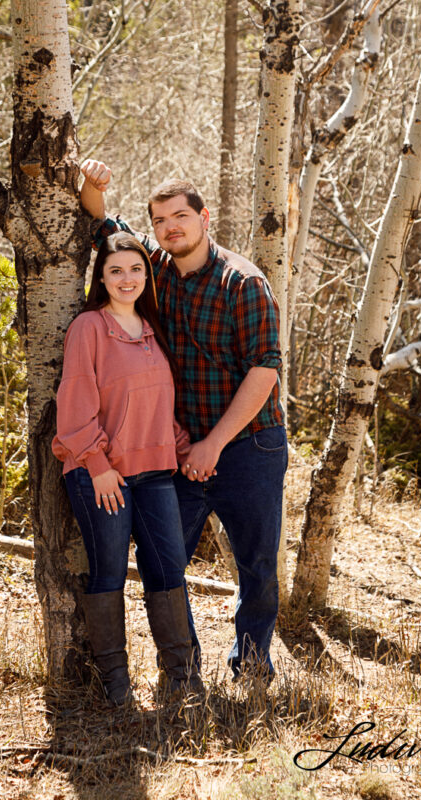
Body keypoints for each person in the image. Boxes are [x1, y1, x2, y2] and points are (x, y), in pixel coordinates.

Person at [79, 160, 288, 681]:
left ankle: (252, 666)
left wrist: (214, 445)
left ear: (204, 217)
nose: (171, 227)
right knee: (162, 560)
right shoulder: (152, 271)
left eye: (180, 216)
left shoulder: (244, 282)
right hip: (179, 447)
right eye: (160, 221)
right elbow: (103, 224)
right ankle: (183, 668)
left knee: (256, 565)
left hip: (249, 445)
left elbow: (264, 371)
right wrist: (93, 183)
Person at [52, 231, 199, 705]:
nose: (127, 278)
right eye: (115, 270)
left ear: (147, 275)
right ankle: (116, 687)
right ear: (101, 278)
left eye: (135, 269)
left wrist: (187, 450)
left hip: (155, 471)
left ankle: (180, 679)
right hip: (101, 474)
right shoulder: (89, 328)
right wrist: (96, 465)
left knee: (168, 568)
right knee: (109, 570)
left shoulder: (154, 332)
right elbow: (74, 405)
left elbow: (157, 407)